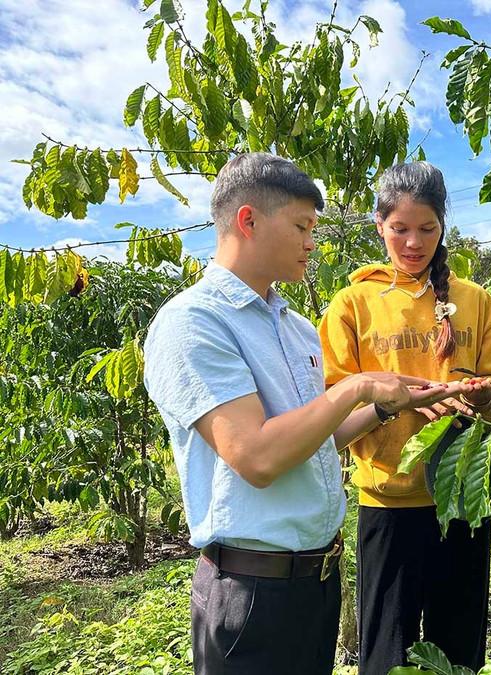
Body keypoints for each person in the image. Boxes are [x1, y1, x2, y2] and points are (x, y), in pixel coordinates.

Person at [143, 152, 474, 675]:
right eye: (301, 226)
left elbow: (319, 438)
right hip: (252, 592)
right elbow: (255, 455)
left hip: (315, 580)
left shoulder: (294, 327)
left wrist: (391, 406)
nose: (311, 242)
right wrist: (360, 387)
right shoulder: (194, 322)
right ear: (248, 221)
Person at [318, 161, 491, 674]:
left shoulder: (474, 301)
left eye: (427, 229)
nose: (413, 242)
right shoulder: (353, 305)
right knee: (387, 649)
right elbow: (330, 402)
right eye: (400, 229)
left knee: (460, 645)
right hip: (388, 500)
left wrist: (479, 395)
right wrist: (392, 403)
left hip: (463, 497)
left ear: (443, 228)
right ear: (379, 226)